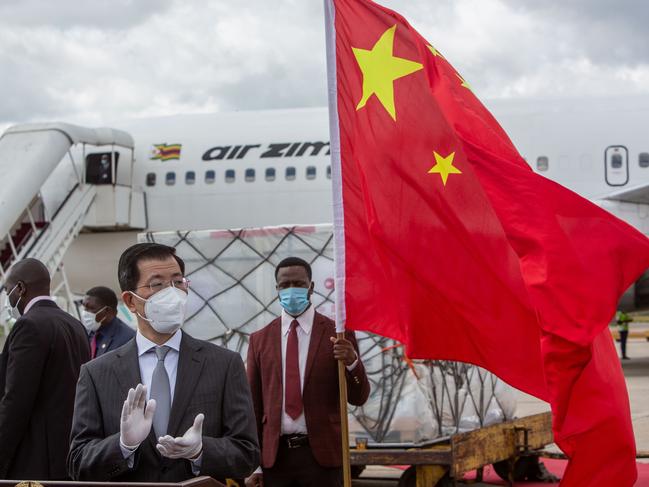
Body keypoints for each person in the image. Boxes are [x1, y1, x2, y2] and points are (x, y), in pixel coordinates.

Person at [68, 243, 259, 482]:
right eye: (157, 284)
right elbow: (78, 462)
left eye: (178, 282)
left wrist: (200, 451)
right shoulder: (96, 373)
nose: (172, 293)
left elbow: (247, 454)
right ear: (129, 300)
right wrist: (123, 445)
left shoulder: (224, 364)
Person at [246, 257, 370, 487]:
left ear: (311, 287)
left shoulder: (338, 335)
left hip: (322, 458)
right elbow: (253, 406)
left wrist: (352, 361)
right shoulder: (259, 340)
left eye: (298, 283)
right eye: (285, 285)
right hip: (275, 459)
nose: (291, 290)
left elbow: (358, 397)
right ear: (277, 289)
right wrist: (255, 462)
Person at [0, 258, 90, 479]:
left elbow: (16, 400)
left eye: (7, 289)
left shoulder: (29, 325)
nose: (7, 296)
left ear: (20, 288)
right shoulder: (74, 324)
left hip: (35, 458)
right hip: (68, 452)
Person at [81, 286, 135, 358]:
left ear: (108, 311)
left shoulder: (127, 339)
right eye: (84, 307)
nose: (85, 313)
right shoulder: (88, 332)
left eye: (91, 308)